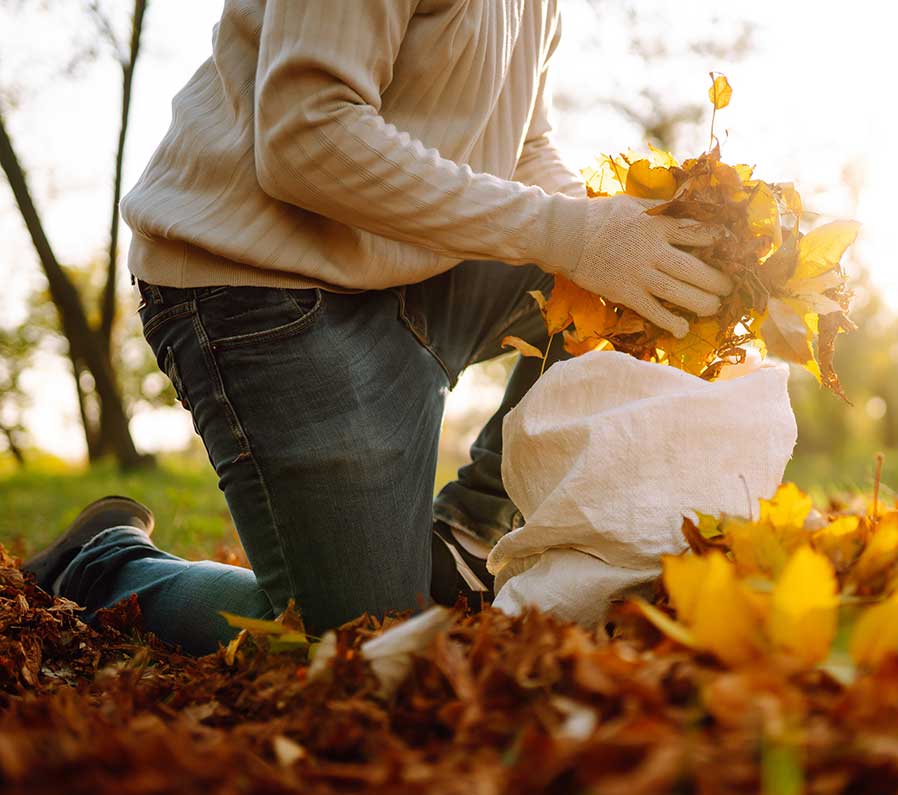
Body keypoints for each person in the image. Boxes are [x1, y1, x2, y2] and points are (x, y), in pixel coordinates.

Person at [24, 0, 733, 655]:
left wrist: (607, 235)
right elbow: (306, 132)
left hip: (411, 270)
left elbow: (523, 147)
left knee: (620, 298)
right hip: (263, 291)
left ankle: (463, 534)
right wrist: (569, 233)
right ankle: (108, 561)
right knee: (371, 646)